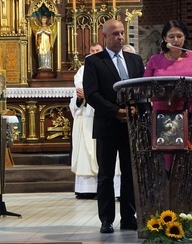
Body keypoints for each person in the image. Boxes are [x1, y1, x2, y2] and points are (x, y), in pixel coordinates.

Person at [83, 19, 144, 234]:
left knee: (130, 173)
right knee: (106, 174)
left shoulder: (135, 60)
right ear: (105, 37)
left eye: (122, 33)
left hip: (132, 125)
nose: (120, 37)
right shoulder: (94, 61)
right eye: (115, 34)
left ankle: (129, 217)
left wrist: (136, 108)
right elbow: (91, 94)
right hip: (107, 124)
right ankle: (106, 219)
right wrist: (115, 111)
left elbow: (141, 89)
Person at [143, 20, 192, 169]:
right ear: (164, 39)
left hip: (189, 112)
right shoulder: (155, 60)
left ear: (185, 37)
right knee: (165, 157)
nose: (176, 40)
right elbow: (145, 85)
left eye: (179, 36)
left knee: (186, 158)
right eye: (171, 36)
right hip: (162, 113)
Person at [70, 42, 121, 199]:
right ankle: (86, 189)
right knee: (86, 153)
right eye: (91, 51)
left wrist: (91, 95)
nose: (93, 53)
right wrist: (80, 98)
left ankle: (113, 190)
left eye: (97, 50)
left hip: (104, 115)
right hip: (86, 117)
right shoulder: (82, 71)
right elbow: (75, 99)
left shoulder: (108, 66)